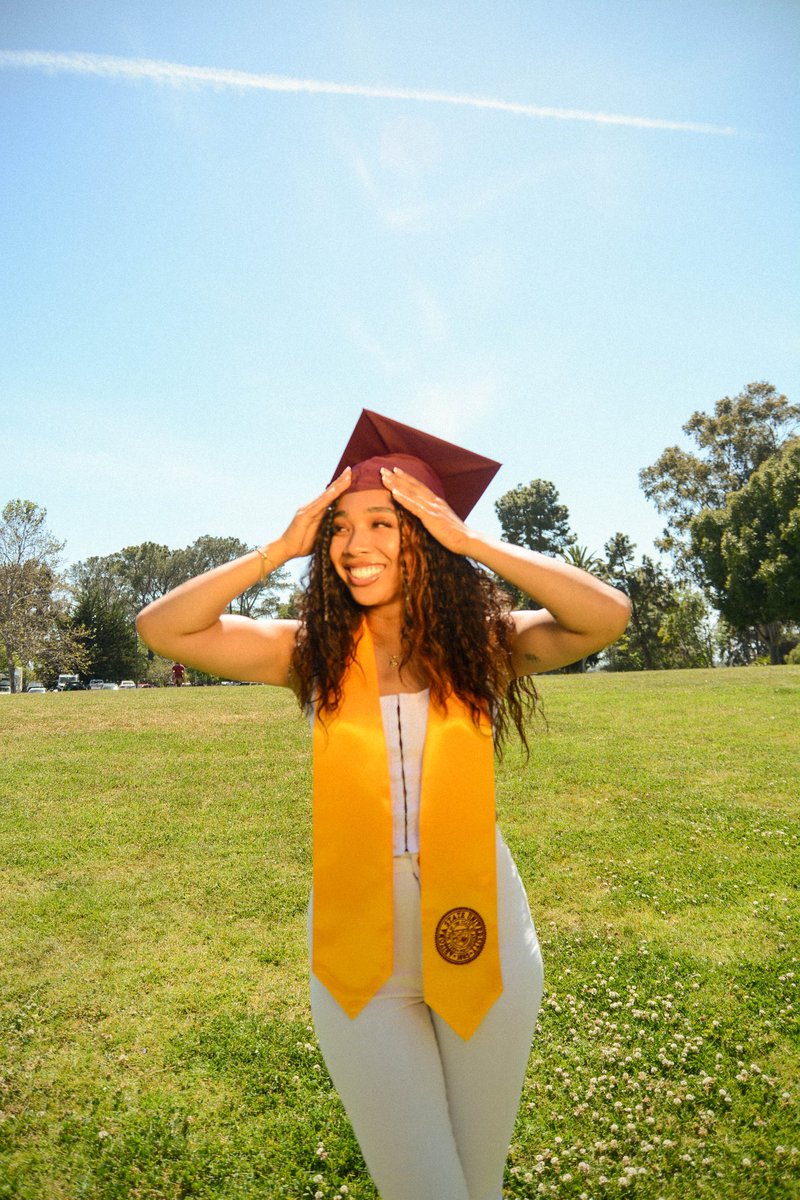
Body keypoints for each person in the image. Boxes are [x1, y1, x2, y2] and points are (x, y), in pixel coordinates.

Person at [136, 411, 631, 1200]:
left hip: (483, 924)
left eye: (380, 523)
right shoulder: (311, 651)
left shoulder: (485, 645)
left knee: (479, 1183)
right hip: (356, 935)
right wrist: (277, 549)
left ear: (426, 536)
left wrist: (473, 542)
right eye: (339, 526)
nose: (353, 543)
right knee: (421, 1186)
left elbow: (605, 616)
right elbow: (162, 629)